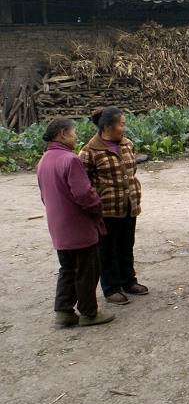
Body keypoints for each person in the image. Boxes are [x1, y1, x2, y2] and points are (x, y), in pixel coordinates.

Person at [37, 118, 114, 327]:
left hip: (58, 226)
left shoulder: (44, 160)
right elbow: (83, 194)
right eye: (73, 132)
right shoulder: (70, 160)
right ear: (62, 134)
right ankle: (89, 313)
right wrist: (97, 206)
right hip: (78, 226)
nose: (76, 136)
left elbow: (44, 195)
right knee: (87, 269)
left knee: (67, 268)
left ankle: (63, 311)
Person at [80, 107, 148, 305]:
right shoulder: (89, 151)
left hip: (129, 206)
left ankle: (129, 281)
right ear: (108, 127)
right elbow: (83, 181)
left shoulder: (127, 145)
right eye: (121, 124)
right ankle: (111, 288)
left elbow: (132, 169)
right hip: (107, 210)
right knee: (107, 250)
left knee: (127, 245)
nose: (124, 129)